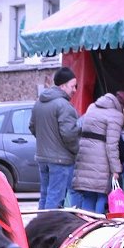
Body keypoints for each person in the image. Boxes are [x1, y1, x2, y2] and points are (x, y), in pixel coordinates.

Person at [68, 92, 124, 213]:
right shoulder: (116, 116)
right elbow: (112, 145)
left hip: (84, 159)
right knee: (102, 196)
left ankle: (87, 226)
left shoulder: (92, 108)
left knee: (88, 196)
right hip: (102, 163)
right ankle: (98, 227)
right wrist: (115, 169)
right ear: (122, 107)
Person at [29, 67, 81, 209]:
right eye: (73, 86)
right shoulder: (64, 106)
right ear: (63, 86)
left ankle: (40, 228)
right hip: (61, 160)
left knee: (45, 196)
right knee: (55, 199)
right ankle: (49, 229)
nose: (75, 90)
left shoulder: (39, 103)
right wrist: (75, 150)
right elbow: (69, 134)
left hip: (42, 158)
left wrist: (46, 142)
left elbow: (32, 127)